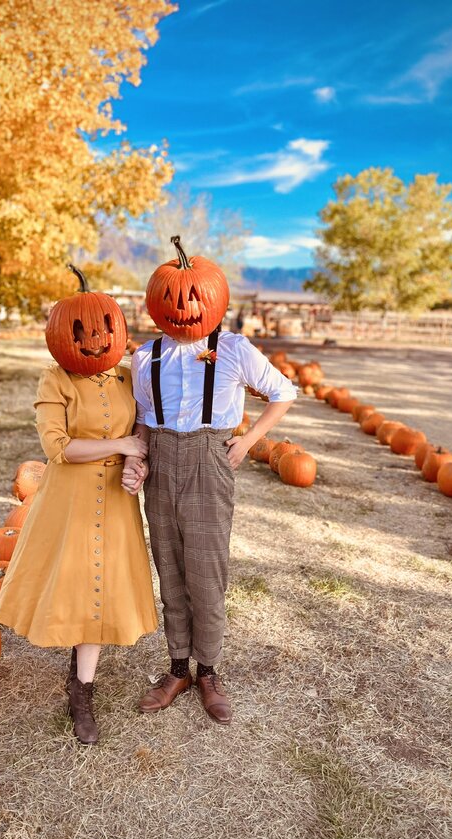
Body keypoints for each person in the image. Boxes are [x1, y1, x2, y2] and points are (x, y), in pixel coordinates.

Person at [122, 236, 297, 726]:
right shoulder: (145, 357)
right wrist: (138, 459)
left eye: (193, 298)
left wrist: (248, 441)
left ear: (213, 301)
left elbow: (283, 393)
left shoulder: (235, 349)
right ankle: (177, 666)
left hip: (209, 458)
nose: (183, 308)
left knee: (206, 570)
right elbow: (142, 419)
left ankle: (209, 670)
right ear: (157, 305)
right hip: (161, 460)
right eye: (173, 300)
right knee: (170, 566)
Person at [0, 266, 158, 746]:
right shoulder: (55, 381)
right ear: (63, 336)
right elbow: (56, 447)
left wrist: (138, 463)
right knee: (74, 586)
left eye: (105, 328)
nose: (95, 339)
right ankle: (79, 691)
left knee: (102, 589)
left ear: (118, 329)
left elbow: (142, 428)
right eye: (82, 332)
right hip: (69, 501)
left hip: (117, 501)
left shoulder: (129, 377)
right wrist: (125, 447)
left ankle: (81, 685)